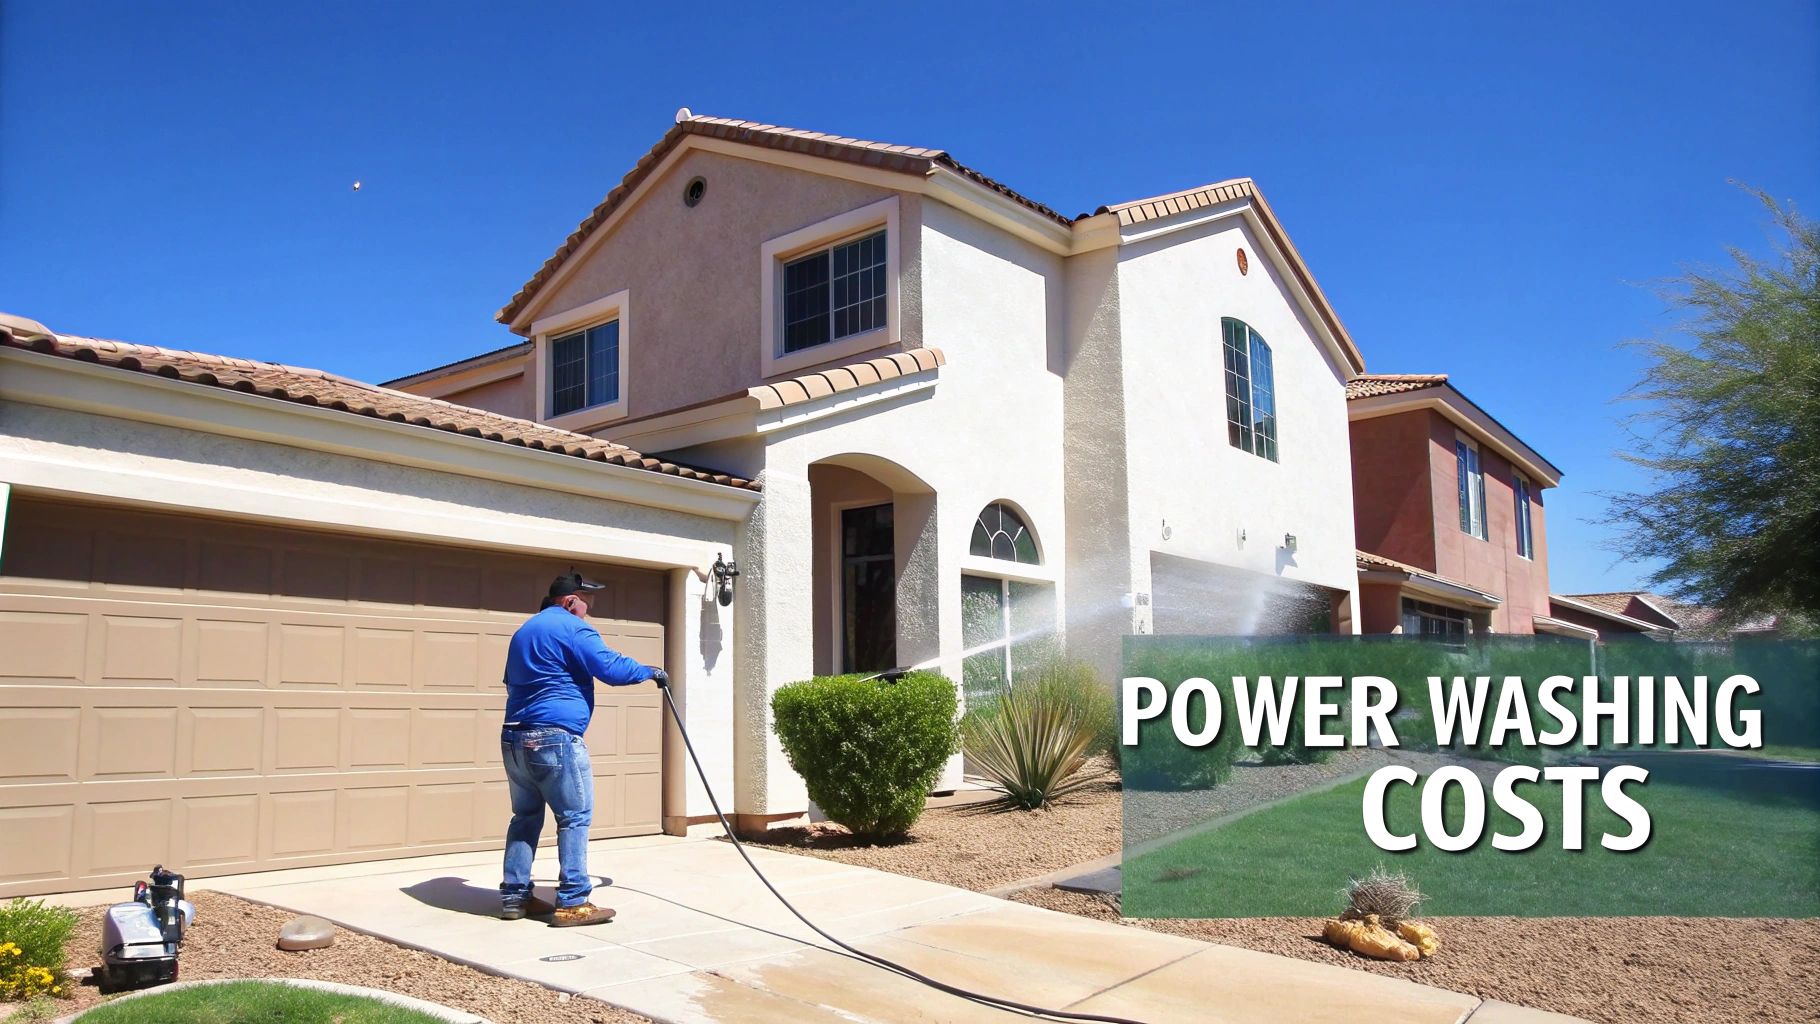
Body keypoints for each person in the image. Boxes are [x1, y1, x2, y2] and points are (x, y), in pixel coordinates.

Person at [498, 571, 668, 926]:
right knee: (574, 817)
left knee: (525, 817)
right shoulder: (572, 628)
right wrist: (650, 671)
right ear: (569, 601)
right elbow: (609, 667)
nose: (589, 608)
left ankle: (515, 898)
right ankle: (573, 901)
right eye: (585, 600)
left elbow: (510, 682)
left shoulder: (523, 632)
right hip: (555, 738)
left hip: (514, 737)